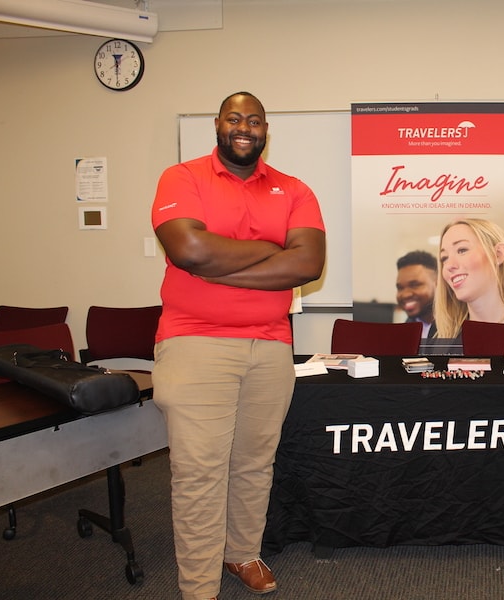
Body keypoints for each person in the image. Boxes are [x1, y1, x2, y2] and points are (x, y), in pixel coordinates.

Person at [151, 91, 326, 600]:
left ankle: (241, 552)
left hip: (271, 346)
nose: (244, 127)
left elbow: (307, 264)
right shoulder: (182, 178)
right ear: (218, 125)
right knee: (199, 471)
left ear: (266, 129)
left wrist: (219, 268)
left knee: (254, 462)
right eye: (235, 118)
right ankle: (199, 586)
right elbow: (188, 248)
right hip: (194, 342)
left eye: (254, 120)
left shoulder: (294, 189)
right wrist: (273, 252)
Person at [433, 218, 504, 339]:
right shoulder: (440, 338)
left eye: (462, 250)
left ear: (498, 254)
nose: (449, 265)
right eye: (444, 258)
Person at [395, 250, 437, 338]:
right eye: (400, 288)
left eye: (414, 285)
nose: (405, 294)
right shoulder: (404, 334)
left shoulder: (458, 330)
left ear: (438, 284)